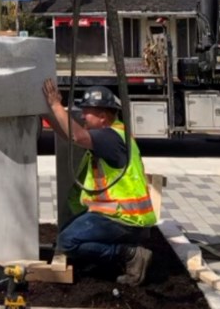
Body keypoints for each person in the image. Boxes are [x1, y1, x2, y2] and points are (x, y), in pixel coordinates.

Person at [41, 79, 155, 286]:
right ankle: (117, 251)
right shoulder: (114, 133)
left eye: (87, 112)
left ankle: (129, 254)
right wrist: (45, 113)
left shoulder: (109, 138)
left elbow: (76, 136)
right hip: (125, 217)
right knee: (69, 231)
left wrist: (56, 105)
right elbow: (70, 135)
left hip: (124, 218)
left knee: (67, 242)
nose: (83, 115)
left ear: (103, 117)